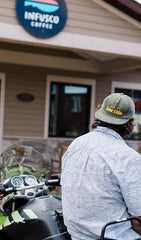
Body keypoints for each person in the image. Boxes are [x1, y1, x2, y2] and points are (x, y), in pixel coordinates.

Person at [61, 93, 141, 240]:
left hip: (77, 235)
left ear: (100, 116)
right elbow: (138, 220)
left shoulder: (76, 144)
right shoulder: (129, 157)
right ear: (130, 123)